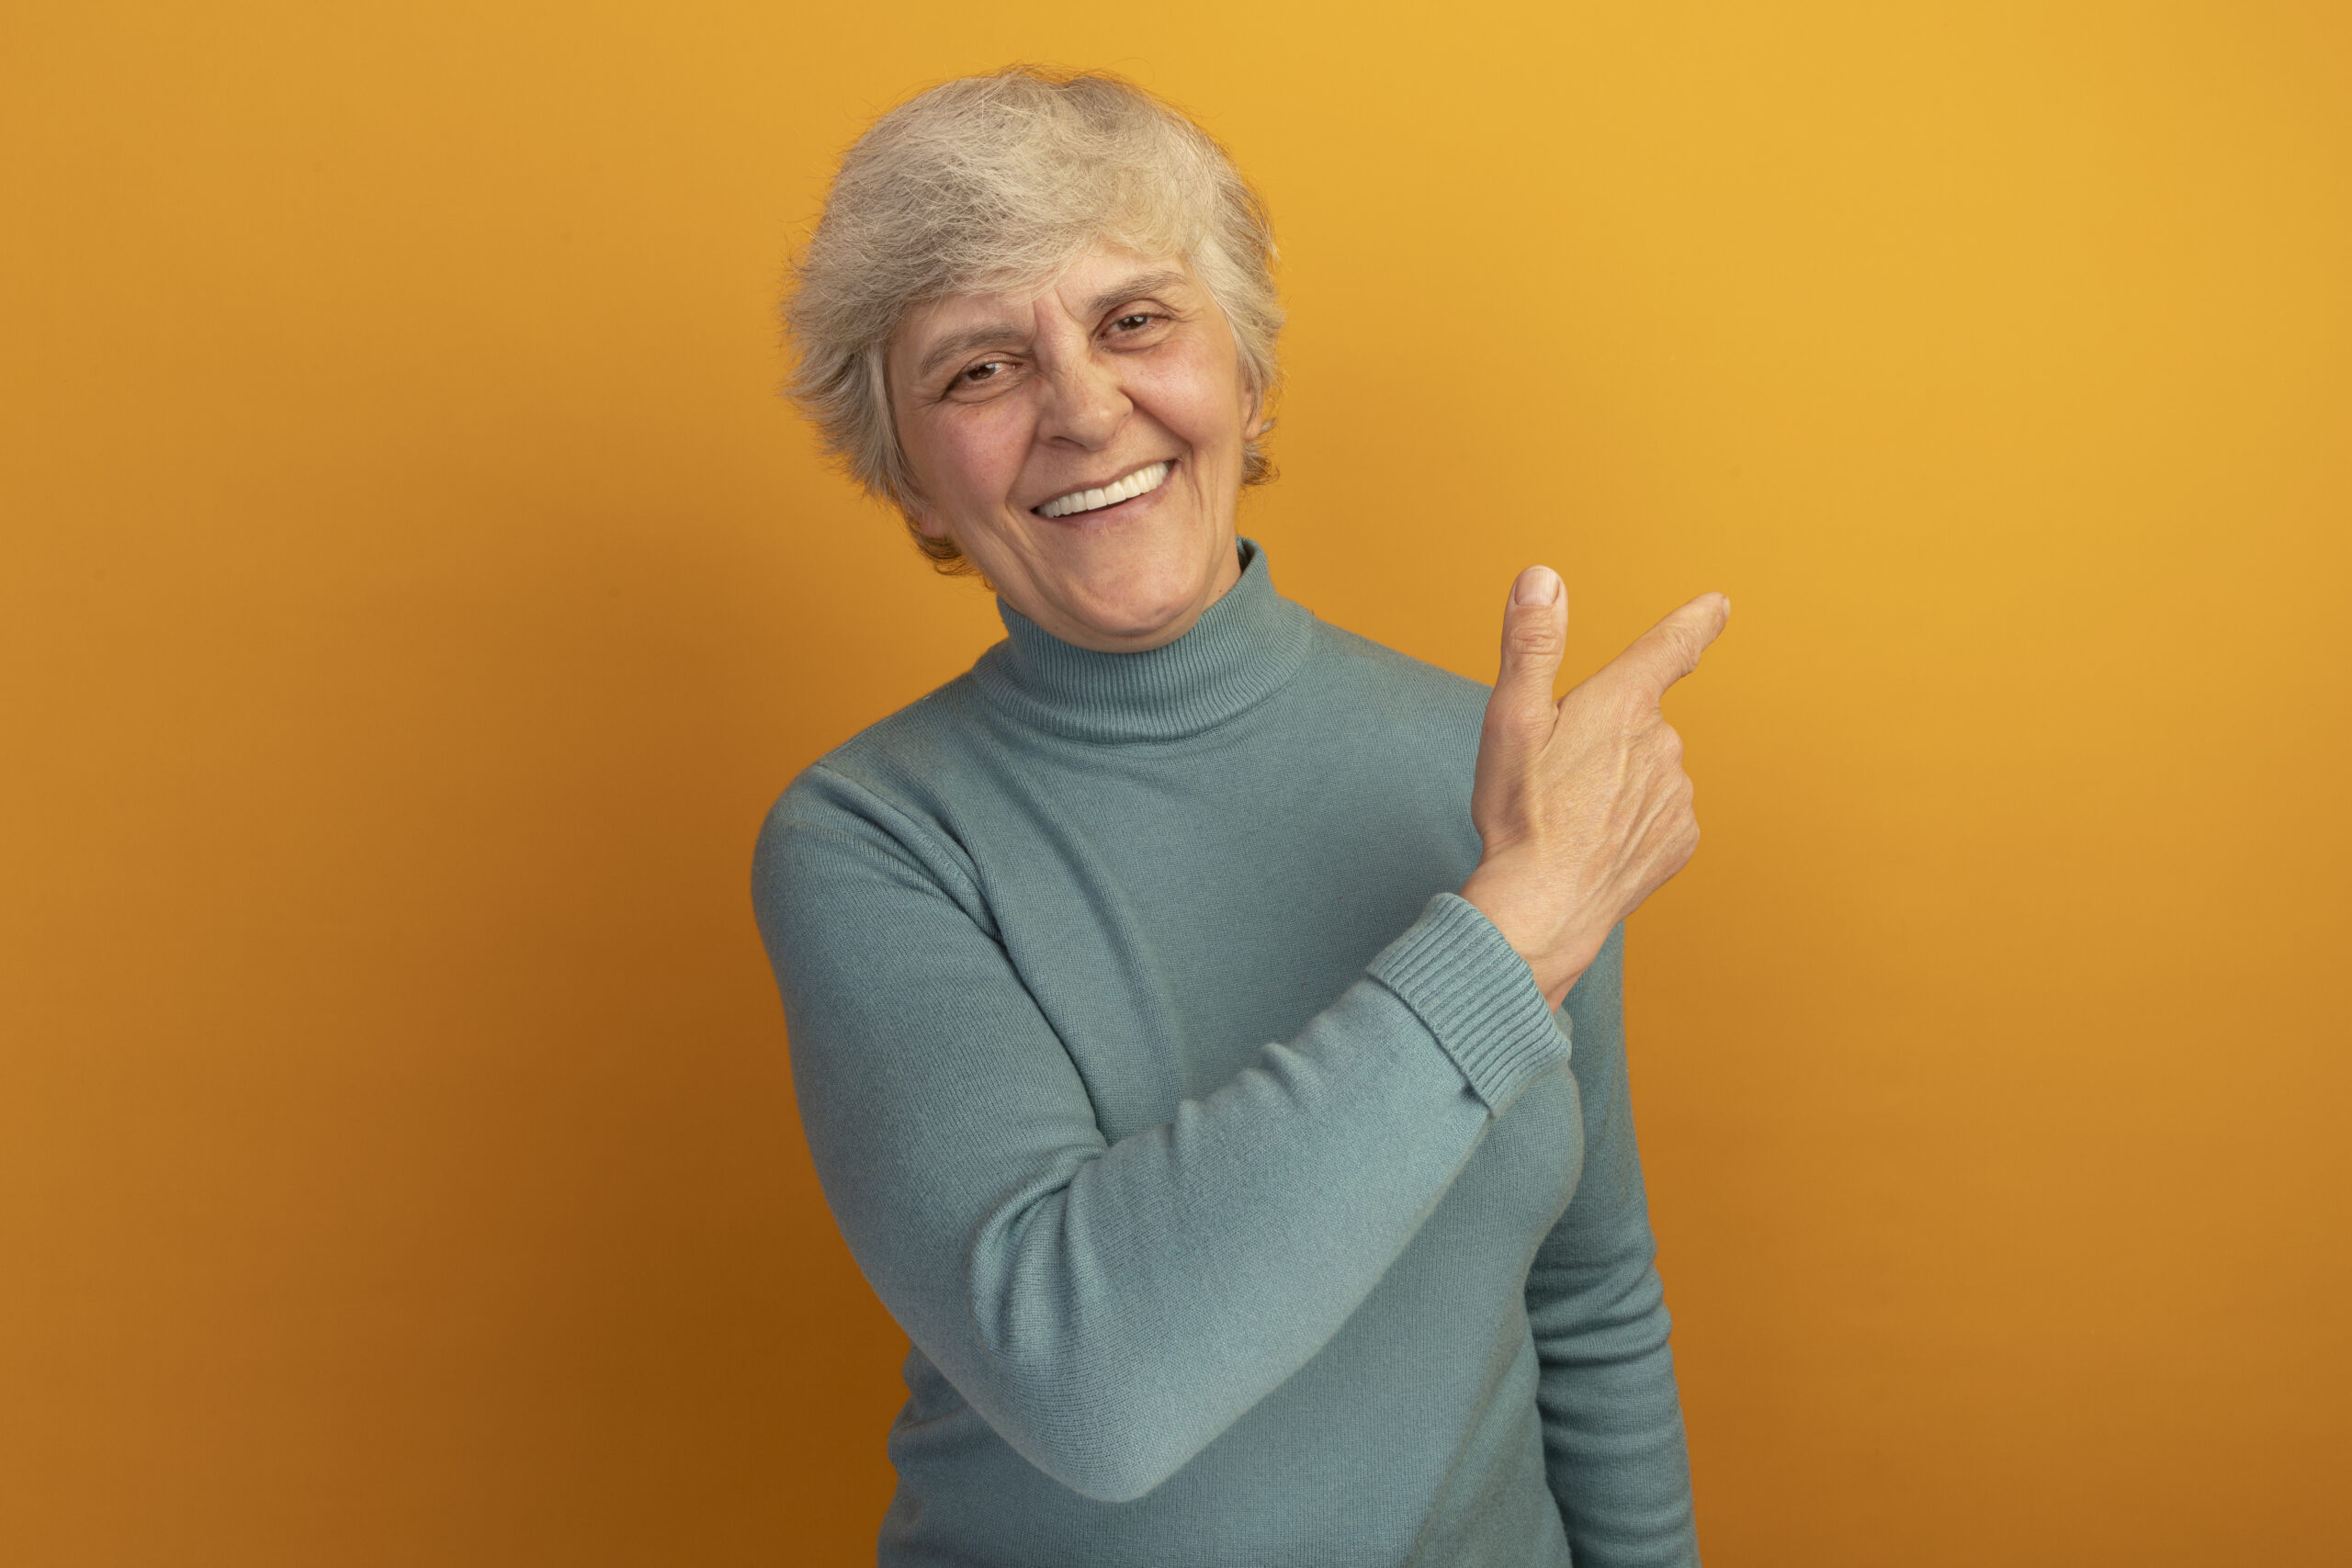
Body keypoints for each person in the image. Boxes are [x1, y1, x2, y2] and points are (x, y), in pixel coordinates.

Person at [756, 66, 1726, 1567]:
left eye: (1134, 320)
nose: (1082, 408)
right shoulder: (871, 842)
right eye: (977, 370)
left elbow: (1587, 1295)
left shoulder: (1498, 769)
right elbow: (1094, 1384)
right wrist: (1516, 925)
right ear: (915, 491)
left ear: (1251, 375)